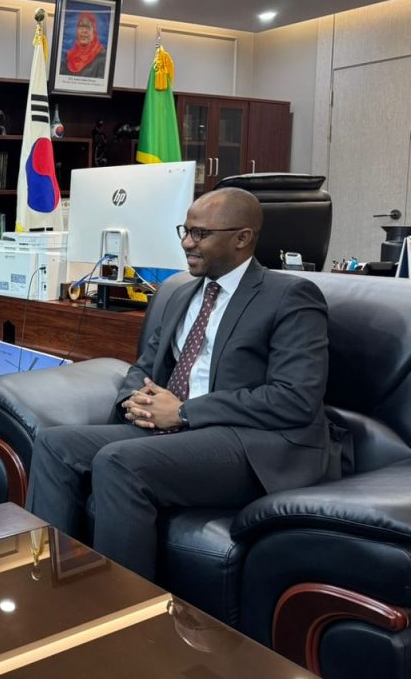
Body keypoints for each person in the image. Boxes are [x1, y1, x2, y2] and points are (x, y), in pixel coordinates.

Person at [26, 187, 330, 581]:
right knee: (54, 444)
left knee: (119, 462)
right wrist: (135, 400)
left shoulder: (290, 296)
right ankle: (47, 583)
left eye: (201, 233)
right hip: (176, 431)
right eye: (185, 231)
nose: (187, 243)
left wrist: (185, 412)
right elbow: (145, 364)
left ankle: (126, 610)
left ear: (242, 238)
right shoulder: (180, 293)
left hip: (248, 441)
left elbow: (296, 398)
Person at [65, 11, 107, 78]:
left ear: (94, 32)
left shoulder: (103, 58)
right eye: (81, 26)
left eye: (88, 26)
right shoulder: (69, 56)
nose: (84, 30)